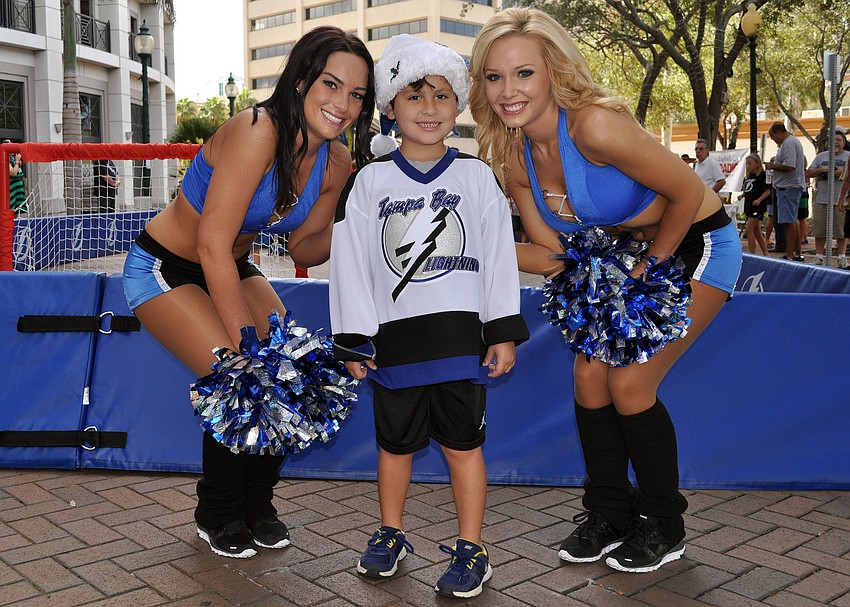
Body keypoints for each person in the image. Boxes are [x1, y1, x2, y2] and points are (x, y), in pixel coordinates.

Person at [469, 7, 742, 573]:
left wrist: (655, 263)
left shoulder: (592, 125)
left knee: (631, 380)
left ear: (553, 72)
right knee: (589, 375)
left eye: (523, 73)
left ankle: (665, 524)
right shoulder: (516, 159)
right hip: (632, 258)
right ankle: (609, 514)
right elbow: (554, 254)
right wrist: (467, 253)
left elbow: (689, 192)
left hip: (695, 242)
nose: (508, 90)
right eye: (494, 77)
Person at [121, 26, 374, 559]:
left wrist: (364, 213)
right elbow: (211, 242)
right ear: (303, 80)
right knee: (242, 375)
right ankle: (216, 512)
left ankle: (257, 505)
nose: (343, 104)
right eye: (332, 85)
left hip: (231, 267)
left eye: (356, 94)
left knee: (297, 375)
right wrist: (243, 345)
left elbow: (305, 250)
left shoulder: (336, 162)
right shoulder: (257, 128)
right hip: (166, 267)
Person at [329, 34, 529, 599]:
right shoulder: (368, 182)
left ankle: (473, 548)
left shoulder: (475, 178)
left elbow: (497, 260)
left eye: (441, 96)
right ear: (390, 108)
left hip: (459, 343)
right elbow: (350, 265)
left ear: (458, 106)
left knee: (465, 448)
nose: (429, 108)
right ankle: (390, 533)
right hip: (396, 347)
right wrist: (353, 339)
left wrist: (502, 332)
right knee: (394, 448)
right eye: (414, 96)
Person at [806, 130, 849, 268]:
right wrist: (822, 170)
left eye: (838, 140)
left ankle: (842, 257)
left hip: (840, 199)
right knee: (820, 228)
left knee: (840, 229)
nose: (835, 143)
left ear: (844, 143)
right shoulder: (821, 157)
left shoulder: (848, 156)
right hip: (822, 198)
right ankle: (819, 256)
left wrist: (840, 173)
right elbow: (809, 172)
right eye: (832, 140)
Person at [765, 122, 806, 262]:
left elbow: (790, 165)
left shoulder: (788, 144)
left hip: (788, 188)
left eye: (772, 136)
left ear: (778, 133)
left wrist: (772, 166)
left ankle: (789, 254)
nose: (773, 139)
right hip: (789, 187)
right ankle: (796, 252)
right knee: (793, 220)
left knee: (789, 221)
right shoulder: (791, 142)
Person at [738, 153, 770, 255]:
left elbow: (767, 191)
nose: (748, 166)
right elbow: (748, 190)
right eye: (747, 164)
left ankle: (752, 253)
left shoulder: (762, 175)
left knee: (748, 230)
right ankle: (765, 253)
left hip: (757, 207)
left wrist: (759, 200)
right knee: (756, 232)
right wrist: (742, 195)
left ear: (757, 164)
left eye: (750, 164)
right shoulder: (748, 177)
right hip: (749, 206)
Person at [7, 144, 27, 215]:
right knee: (10, 210)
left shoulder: (12, 158)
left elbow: (18, 171)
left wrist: (18, 163)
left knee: (17, 211)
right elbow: (13, 173)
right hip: (10, 189)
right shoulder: (4, 158)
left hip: (18, 189)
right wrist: (17, 161)